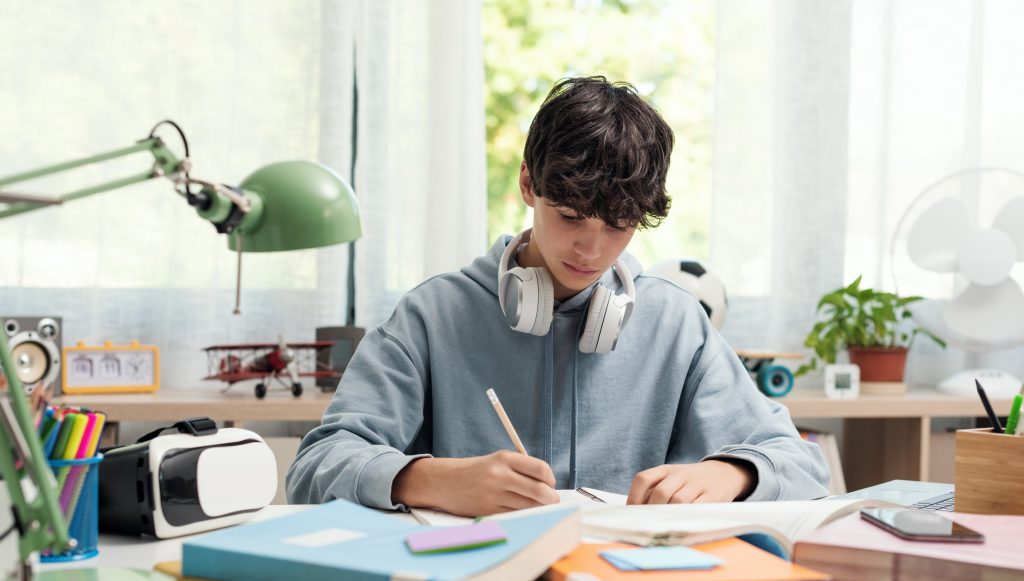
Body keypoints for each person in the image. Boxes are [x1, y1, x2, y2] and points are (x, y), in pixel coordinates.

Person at [287, 76, 829, 516]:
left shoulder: (675, 322)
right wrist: (428, 479)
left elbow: (801, 464)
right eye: (570, 217)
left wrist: (729, 472)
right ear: (528, 184)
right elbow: (315, 467)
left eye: (619, 227)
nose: (592, 251)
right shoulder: (433, 315)